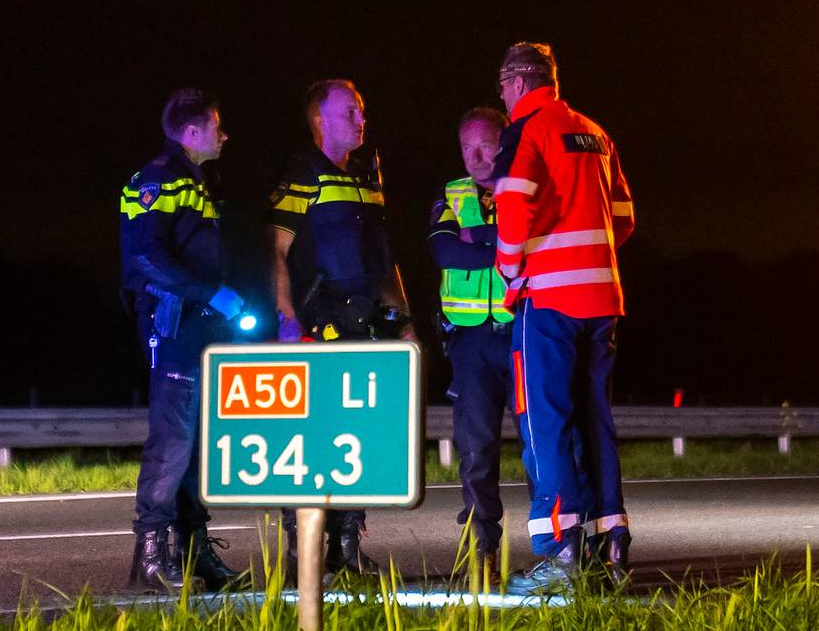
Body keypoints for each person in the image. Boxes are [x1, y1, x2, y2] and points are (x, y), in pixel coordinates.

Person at [491, 43, 636, 592]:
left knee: (544, 423)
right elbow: (624, 215)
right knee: (595, 421)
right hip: (602, 298)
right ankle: (610, 547)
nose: (503, 98)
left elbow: (513, 204)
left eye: (502, 88)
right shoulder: (594, 132)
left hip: (548, 299)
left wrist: (511, 269)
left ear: (517, 82)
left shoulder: (526, 130)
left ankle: (560, 553)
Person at [269, 79, 416, 577]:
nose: (361, 120)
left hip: (366, 325)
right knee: (313, 436)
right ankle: (303, 551)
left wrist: (403, 319)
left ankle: (348, 548)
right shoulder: (301, 174)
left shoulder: (368, 177)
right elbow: (277, 250)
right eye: (349, 112)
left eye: (362, 111)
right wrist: (287, 318)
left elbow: (384, 258)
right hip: (318, 325)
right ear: (320, 120)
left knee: (360, 435)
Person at [119, 88, 244, 592]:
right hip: (173, 326)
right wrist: (211, 292)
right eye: (216, 126)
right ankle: (149, 558)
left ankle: (194, 553)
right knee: (172, 442)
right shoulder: (157, 178)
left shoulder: (198, 180)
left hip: (200, 326)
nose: (225, 135)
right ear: (192, 132)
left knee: (195, 446)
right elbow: (145, 256)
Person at [427, 106, 518, 567]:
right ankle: (482, 546)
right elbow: (445, 253)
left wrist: (475, 236)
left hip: (521, 332)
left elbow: (530, 248)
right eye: (467, 147)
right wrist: (498, 241)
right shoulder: (451, 193)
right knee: (476, 448)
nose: (476, 156)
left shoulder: (524, 188)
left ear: (505, 143)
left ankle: (556, 545)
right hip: (470, 343)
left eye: (485, 145)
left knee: (539, 446)